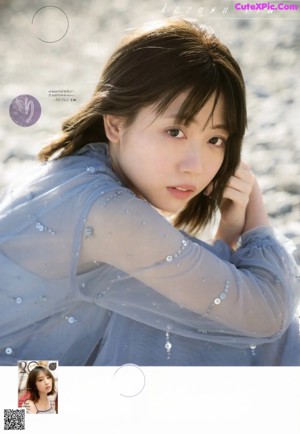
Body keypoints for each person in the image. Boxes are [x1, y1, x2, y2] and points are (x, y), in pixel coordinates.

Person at [0, 18, 299, 366]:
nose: (195, 165)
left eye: (215, 139)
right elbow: (267, 315)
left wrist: (228, 234)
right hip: (24, 405)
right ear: (115, 123)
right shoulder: (107, 211)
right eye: (175, 132)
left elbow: (204, 293)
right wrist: (257, 219)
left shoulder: (76, 172)